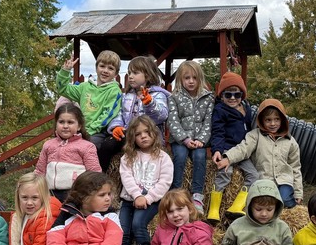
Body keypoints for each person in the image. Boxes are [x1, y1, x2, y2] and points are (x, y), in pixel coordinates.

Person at [214, 98, 302, 209]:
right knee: (262, 204)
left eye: (277, 119)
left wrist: (298, 192)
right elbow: (243, 149)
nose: (273, 123)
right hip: (264, 180)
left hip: (284, 181)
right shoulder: (255, 136)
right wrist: (228, 158)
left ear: (283, 120)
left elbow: (295, 167)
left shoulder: (291, 142)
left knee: (285, 200)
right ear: (261, 120)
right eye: (268, 120)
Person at [117, 115, 174, 245]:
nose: (143, 136)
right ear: (132, 138)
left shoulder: (163, 157)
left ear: (154, 134)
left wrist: (147, 198)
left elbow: (165, 182)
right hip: (130, 199)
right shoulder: (128, 157)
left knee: (138, 224)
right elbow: (126, 178)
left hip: (152, 201)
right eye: (137, 134)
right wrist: (137, 195)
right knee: (123, 228)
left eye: (146, 132)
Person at [99, 54, 170, 172]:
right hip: (128, 134)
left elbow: (162, 116)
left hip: (148, 136)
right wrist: (116, 126)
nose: (130, 77)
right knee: (107, 145)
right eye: (129, 73)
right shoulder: (127, 95)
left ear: (147, 75)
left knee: (142, 156)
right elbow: (119, 113)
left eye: (135, 73)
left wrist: (150, 104)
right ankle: (100, 177)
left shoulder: (158, 95)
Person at [221, 179, 295, 245]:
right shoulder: (237, 225)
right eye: (258, 209)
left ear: (277, 207)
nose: (264, 214)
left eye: (269, 209)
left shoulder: (282, 227)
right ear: (249, 206)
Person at [208, 72, 255, 222]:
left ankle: (236, 206)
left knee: (254, 176)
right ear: (222, 96)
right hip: (226, 148)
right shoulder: (220, 111)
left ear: (242, 95)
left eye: (237, 94)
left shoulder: (246, 110)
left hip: (241, 151)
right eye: (228, 95)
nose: (233, 98)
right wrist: (217, 150)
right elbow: (217, 132)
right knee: (224, 173)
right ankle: (213, 210)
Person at [167, 60, 214, 213]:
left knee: (200, 157)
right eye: (187, 78)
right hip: (181, 140)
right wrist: (185, 140)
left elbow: (208, 122)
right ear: (180, 79)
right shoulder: (175, 97)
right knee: (180, 157)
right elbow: (173, 121)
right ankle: (177, 192)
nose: (191, 81)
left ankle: (197, 195)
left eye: (195, 78)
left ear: (200, 79)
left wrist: (201, 140)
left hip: (199, 141)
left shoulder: (208, 98)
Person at [35, 102, 101, 202]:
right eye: (61, 122)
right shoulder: (48, 145)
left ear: (79, 126)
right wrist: (33, 186)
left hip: (74, 194)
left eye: (70, 122)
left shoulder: (87, 146)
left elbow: (94, 173)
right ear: (56, 124)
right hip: (49, 194)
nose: (65, 126)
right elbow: (40, 171)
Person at [55, 50, 122, 143]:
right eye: (102, 66)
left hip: (98, 132)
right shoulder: (84, 87)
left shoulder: (114, 91)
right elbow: (62, 89)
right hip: (79, 129)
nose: (105, 71)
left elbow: (107, 115)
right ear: (96, 67)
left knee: (89, 145)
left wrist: (88, 131)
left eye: (110, 68)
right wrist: (65, 71)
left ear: (116, 73)